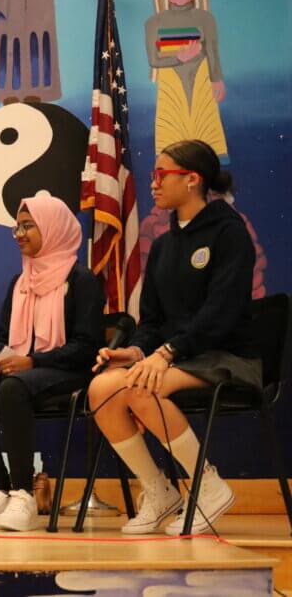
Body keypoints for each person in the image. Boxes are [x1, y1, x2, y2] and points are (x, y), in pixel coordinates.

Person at [89, 140, 259, 535]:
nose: (154, 184)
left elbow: (222, 312)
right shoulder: (165, 245)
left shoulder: (229, 233)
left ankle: (208, 486)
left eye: (161, 175)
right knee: (102, 389)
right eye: (153, 176)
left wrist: (167, 352)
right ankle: (159, 490)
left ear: (193, 179)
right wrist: (134, 350)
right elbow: (153, 320)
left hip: (226, 354)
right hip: (179, 356)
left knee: (139, 387)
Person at [0, 192, 103, 531]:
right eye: (17, 227)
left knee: (12, 387)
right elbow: (4, 337)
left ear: (52, 228)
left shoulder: (81, 280)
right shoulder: (20, 282)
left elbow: (87, 346)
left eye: (28, 226)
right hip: (23, 372)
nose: (19, 234)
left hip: (68, 372)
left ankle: (23, 492)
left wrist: (32, 361)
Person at [145, 0, 228, 164]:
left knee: (206, 134)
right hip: (171, 86)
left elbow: (212, 51)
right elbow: (154, 60)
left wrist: (217, 80)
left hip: (202, 83)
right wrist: (178, 58)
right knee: (173, 139)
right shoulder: (153, 23)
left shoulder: (205, 18)